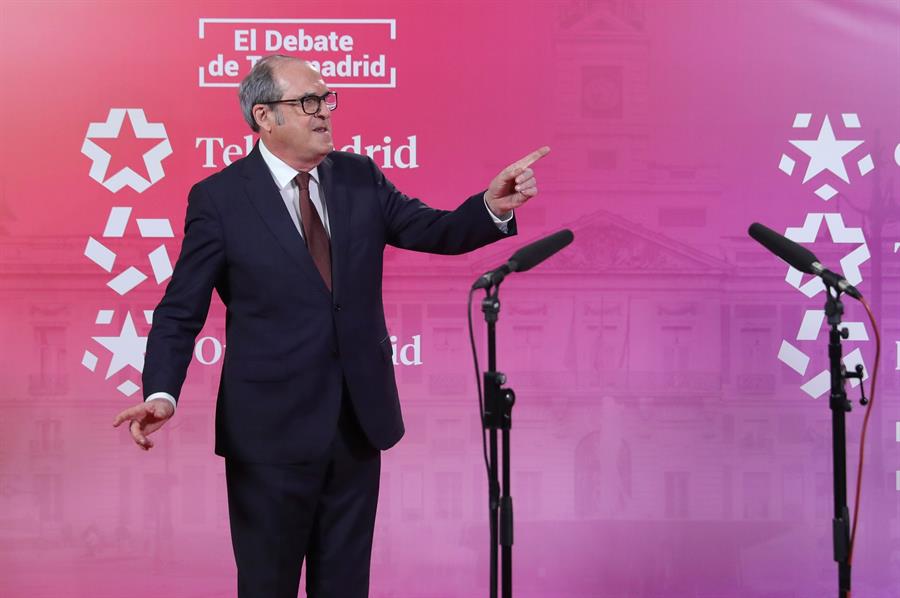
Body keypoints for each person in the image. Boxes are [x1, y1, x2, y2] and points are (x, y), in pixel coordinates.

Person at [112, 55, 548, 598]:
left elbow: (433, 229)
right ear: (264, 117)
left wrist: (491, 207)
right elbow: (181, 309)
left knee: (344, 587)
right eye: (308, 102)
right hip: (269, 436)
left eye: (327, 100)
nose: (324, 113)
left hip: (356, 426)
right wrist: (161, 393)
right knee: (267, 586)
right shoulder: (219, 199)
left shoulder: (358, 177)